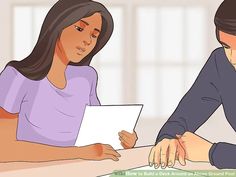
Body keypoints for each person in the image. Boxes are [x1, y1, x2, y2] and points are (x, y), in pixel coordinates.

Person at [0, 0, 137, 162]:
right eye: (79, 28)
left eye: (94, 35)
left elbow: (97, 135)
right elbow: (4, 149)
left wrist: (122, 139)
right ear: (57, 26)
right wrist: (78, 153)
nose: (88, 41)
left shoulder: (87, 77)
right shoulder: (16, 76)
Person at [149, 0, 236, 170]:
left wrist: (212, 153)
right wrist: (168, 139)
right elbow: (187, 113)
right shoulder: (221, 62)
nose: (233, 58)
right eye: (226, 46)